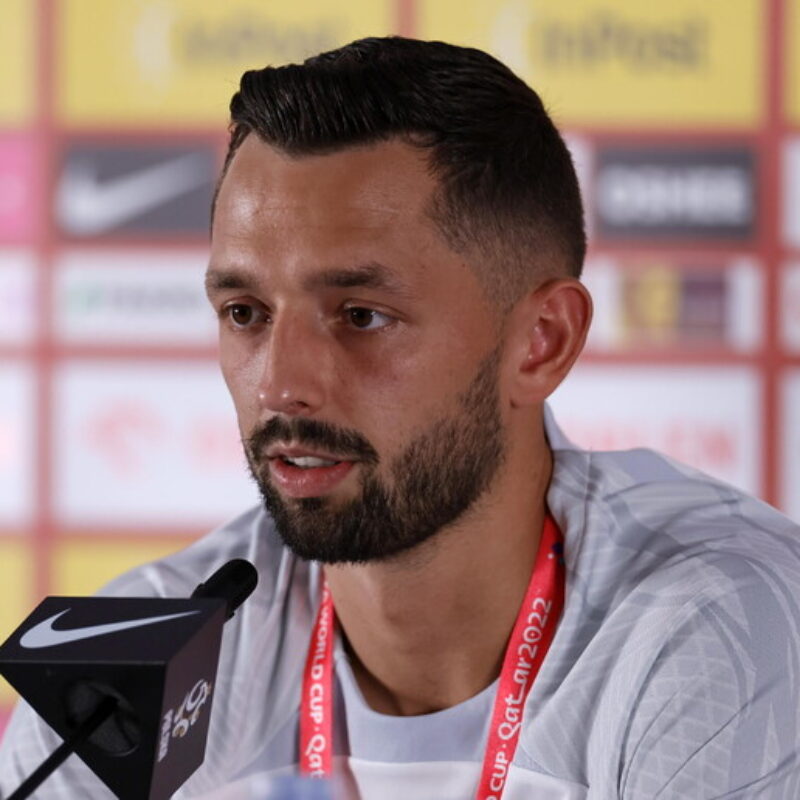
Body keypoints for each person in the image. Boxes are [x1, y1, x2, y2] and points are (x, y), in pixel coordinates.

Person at [2, 35, 800, 800]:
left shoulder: (720, 623)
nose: (281, 386)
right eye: (245, 312)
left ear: (540, 342)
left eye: (360, 316)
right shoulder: (121, 676)